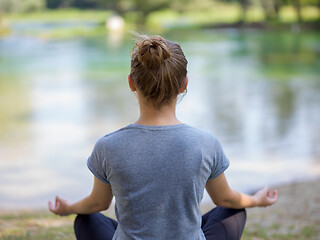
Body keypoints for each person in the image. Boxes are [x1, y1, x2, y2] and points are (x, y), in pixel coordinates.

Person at [48, 34, 278, 240]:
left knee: (86, 218)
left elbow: (98, 203)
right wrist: (257, 199)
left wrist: (68, 208)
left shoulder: (107, 146)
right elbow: (225, 199)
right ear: (184, 85)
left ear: (131, 83)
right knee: (233, 210)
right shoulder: (205, 143)